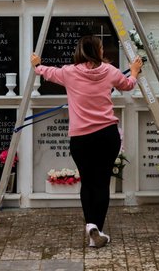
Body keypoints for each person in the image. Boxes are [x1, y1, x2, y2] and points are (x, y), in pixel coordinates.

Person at [30, 35, 141, 248]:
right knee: (101, 183)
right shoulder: (110, 71)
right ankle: (96, 228)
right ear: (98, 51)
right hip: (107, 135)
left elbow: (47, 72)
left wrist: (37, 65)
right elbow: (127, 85)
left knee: (88, 182)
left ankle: (91, 225)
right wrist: (134, 70)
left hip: (81, 138)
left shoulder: (69, 72)